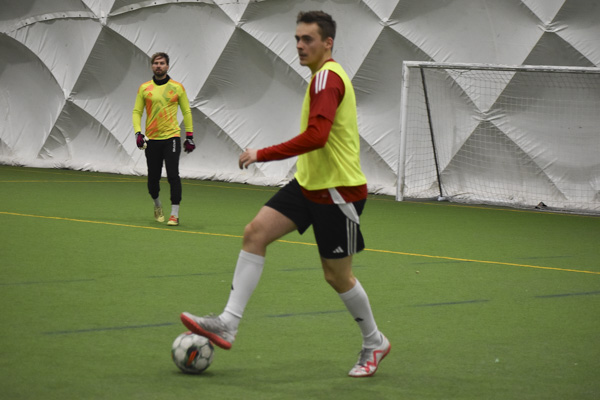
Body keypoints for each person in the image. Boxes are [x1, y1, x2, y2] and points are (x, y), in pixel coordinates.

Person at [181, 11, 390, 377]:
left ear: (328, 43)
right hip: (309, 184)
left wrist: (262, 154)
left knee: (337, 276)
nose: (299, 45)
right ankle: (228, 322)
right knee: (255, 233)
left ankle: (375, 342)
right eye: (297, 39)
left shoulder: (327, 78)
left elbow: (317, 137)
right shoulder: (320, 77)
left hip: (338, 192)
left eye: (308, 39)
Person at [132, 52, 195, 226]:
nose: (158, 66)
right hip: (152, 139)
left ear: (167, 66)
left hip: (171, 137)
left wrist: (189, 136)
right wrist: (138, 133)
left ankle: (174, 214)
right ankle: (157, 204)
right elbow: (137, 112)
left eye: (161, 63)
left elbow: (186, 111)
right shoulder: (144, 88)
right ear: (152, 66)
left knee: (173, 175)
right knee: (153, 178)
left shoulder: (177, 87)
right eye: (155, 63)